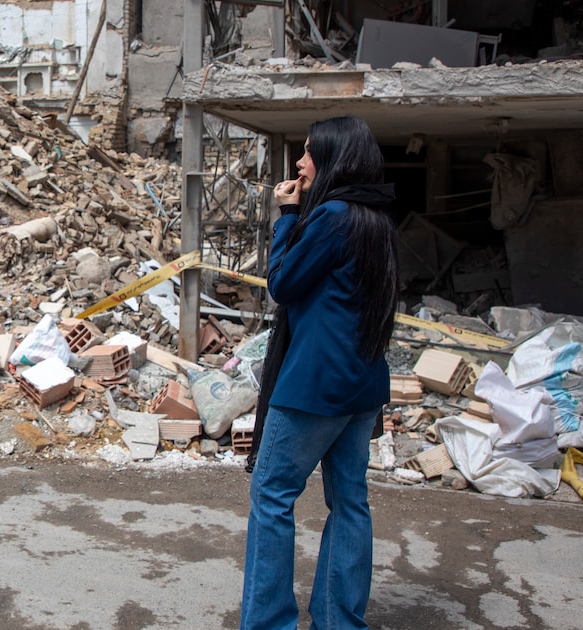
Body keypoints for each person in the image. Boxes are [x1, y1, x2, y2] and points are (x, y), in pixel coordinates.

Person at [240, 116, 399, 629]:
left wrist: (287, 216)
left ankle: (269, 623)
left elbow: (283, 283)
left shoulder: (331, 216)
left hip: (315, 386)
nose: (300, 162)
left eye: (309, 152)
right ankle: (339, 621)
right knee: (350, 502)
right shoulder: (375, 219)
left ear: (333, 159)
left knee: (271, 495)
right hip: (363, 385)